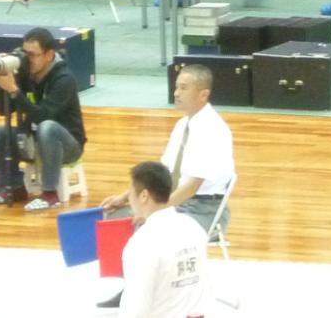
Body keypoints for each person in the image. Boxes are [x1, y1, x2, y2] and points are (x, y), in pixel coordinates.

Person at [98, 64, 235, 309]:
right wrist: (125, 197)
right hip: (177, 202)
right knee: (117, 215)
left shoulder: (213, 130)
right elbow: (161, 174)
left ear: (203, 94)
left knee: (145, 226)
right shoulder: (182, 125)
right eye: (176, 87)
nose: (176, 93)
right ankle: (133, 286)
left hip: (204, 208)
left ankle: (154, 290)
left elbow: (192, 186)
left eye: (183, 88)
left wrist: (154, 212)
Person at [0, 27, 86, 211]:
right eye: (24, 53)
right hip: (32, 139)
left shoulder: (64, 79)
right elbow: (2, 110)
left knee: (47, 127)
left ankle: (50, 194)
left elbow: (43, 116)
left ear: (49, 55)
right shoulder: (24, 74)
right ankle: (12, 188)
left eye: (32, 55)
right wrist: (4, 80)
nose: (26, 59)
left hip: (67, 145)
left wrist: (14, 91)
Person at [118, 160, 209, 318]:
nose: (130, 199)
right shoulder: (194, 228)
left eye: (130, 193)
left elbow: (135, 309)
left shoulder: (141, 244)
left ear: (144, 195)